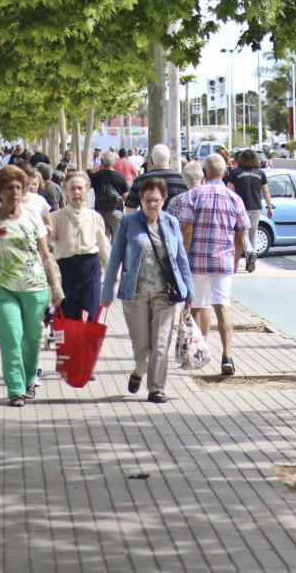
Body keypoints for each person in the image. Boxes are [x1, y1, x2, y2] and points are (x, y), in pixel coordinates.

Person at [0, 165, 64, 407]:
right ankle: (15, 389)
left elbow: (45, 255)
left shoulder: (32, 217)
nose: (14, 192)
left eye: (18, 187)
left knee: (33, 339)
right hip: (1, 287)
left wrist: (55, 287)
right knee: (11, 336)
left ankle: (28, 381)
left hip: (35, 287)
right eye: (8, 188)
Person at [102, 178, 194, 403]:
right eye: (148, 200)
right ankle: (139, 371)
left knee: (160, 344)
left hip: (165, 293)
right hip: (136, 293)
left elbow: (181, 259)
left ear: (164, 201)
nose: (153, 205)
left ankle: (156, 388)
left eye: (157, 200)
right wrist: (106, 292)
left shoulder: (171, 223)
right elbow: (115, 258)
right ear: (141, 200)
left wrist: (189, 291)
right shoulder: (129, 222)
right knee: (143, 347)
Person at [179, 154, 249, 376]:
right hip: (223, 262)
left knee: (195, 307)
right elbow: (241, 235)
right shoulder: (235, 199)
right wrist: (236, 258)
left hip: (197, 261)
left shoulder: (194, 196)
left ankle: (196, 351)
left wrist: (185, 255)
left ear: (205, 173)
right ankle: (227, 356)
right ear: (225, 172)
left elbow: (187, 229)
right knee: (222, 306)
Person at [50, 172, 109, 322]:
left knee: (89, 313)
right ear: (66, 192)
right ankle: (69, 345)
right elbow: (46, 245)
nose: (77, 192)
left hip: (90, 267)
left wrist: (110, 274)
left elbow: (104, 247)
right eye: (72, 189)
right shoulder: (56, 217)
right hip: (66, 269)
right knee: (67, 314)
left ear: (87, 190)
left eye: (80, 188)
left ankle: (87, 345)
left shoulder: (94, 217)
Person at [226, 149, 273, 272]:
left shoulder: (236, 172)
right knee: (253, 232)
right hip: (256, 207)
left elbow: (229, 190)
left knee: (242, 232)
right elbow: (266, 191)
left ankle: (251, 253)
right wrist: (270, 207)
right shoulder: (260, 173)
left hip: (241, 208)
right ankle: (250, 261)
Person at [126, 144, 186, 212]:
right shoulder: (182, 179)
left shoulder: (140, 180)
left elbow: (130, 208)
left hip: (147, 221)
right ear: (169, 160)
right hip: (177, 221)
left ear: (151, 160)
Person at [90, 151, 129, 239]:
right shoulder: (120, 177)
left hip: (100, 212)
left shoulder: (95, 177)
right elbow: (126, 197)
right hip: (116, 212)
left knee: (103, 242)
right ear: (114, 162)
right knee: (117, 243)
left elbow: (86, 189)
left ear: (101, 161)